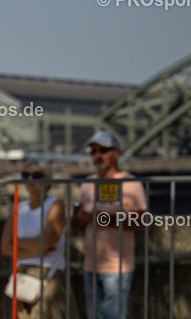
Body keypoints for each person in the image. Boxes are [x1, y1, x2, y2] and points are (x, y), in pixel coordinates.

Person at [70, 130, 146, 319]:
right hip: (90, 266)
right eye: (93, 151)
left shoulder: (130, 183)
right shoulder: (88, 183)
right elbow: (75, 222)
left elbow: (141, 222)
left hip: (117, 267)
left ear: (116, 153)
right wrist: (80, 219)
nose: (97, 155)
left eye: (102, 150)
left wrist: (106, 219)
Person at [0, 161, 73, 319]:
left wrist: (17, 243)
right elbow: (5, 247)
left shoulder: (55, 205)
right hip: (21, 274)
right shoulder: (19, 208)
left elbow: (47, 242)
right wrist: (37, 247)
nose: (30, 179)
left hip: (48, 275)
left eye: (37, 175)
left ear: (47, 180)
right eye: (26, 175)